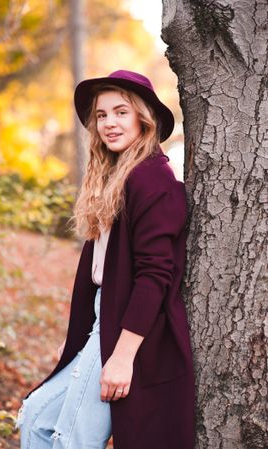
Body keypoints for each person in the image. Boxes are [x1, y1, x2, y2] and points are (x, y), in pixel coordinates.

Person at [16, 70, 195, 449]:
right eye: (101, 115)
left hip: (127, 327)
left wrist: (121, 357)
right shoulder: (118, 176)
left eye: (121, 112)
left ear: (143, 119)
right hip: (104, 318)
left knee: (72, 440)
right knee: (35, 417)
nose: (109, 123)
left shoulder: (154, 180)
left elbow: (154, 276)